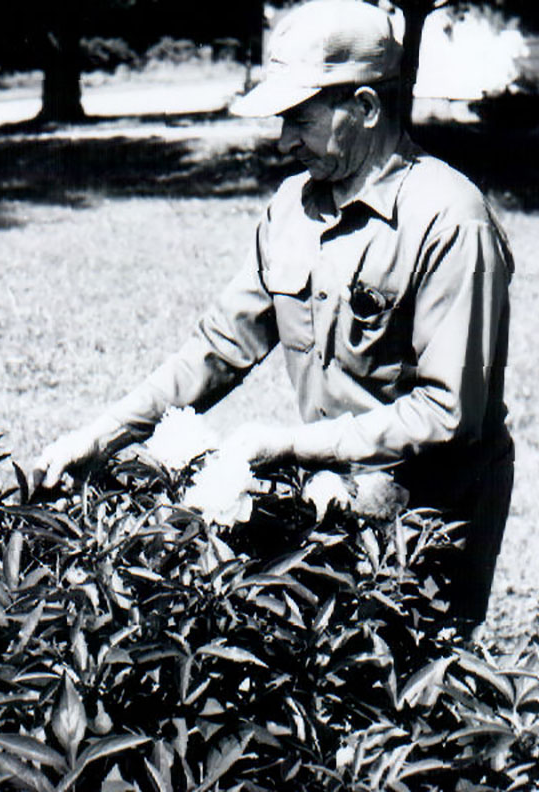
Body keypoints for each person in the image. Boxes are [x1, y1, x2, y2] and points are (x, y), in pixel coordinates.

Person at [34, 0, 514, 626]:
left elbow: (449, 415)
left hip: (432, 515)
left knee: (413, 694)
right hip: (331, 490)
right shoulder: (295, 207)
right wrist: (101, 436)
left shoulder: (451, 220)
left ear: (366, 109)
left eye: (300, 118)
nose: (285, 140)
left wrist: (291, 446)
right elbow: (217, 346)